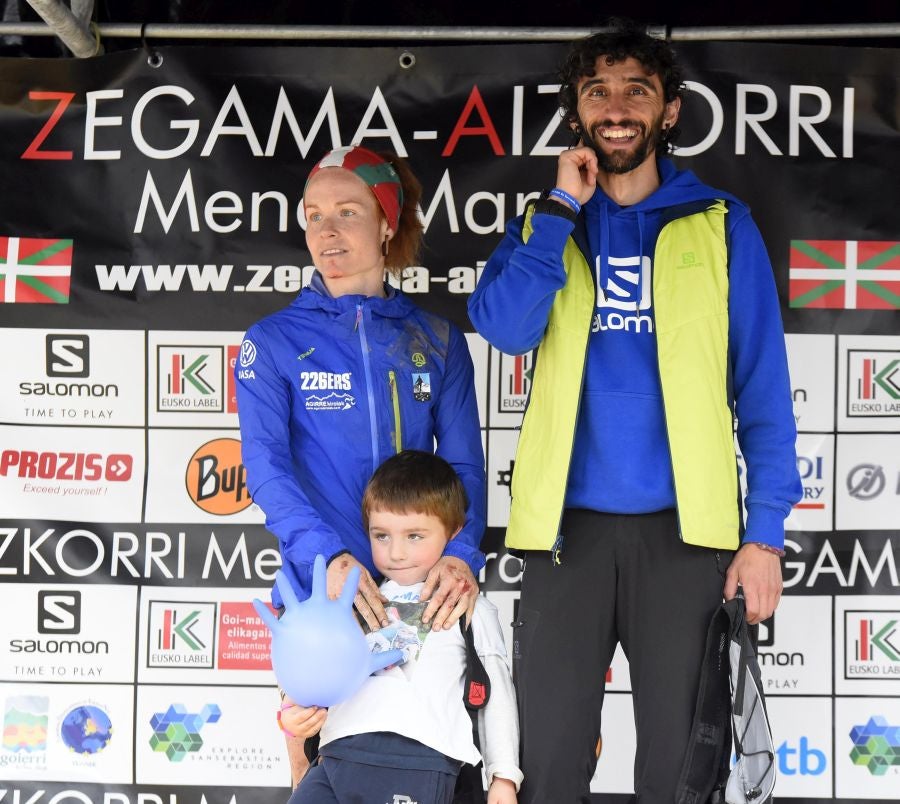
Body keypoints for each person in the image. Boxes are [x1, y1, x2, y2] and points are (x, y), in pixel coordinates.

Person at [467, 19, 802, 804]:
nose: (617, 107)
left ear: (670, 111)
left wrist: (764, 536)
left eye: (637, 91)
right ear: (576, 113)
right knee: (545, 766)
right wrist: (558, 209)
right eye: (598, 92)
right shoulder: (543, 223)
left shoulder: (723, 223)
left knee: (682, 771)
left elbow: (762, 392)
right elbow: (506, 328)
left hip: (686, 542)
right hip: (565, 537)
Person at [235, 146, 487, 785]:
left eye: (347, 212)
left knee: (420, 768)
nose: (326, 230)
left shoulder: (437, 339)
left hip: (419, 592)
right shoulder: (271, 341)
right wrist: (328, 559)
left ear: (385, 223)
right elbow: (264, 468)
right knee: (316, 769)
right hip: (321, 593)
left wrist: (463, 556)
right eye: (313, 213)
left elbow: (465, 469)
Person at [281, 450, 522, 804]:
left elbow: (495, 693)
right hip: (333, 757)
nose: (396, 552)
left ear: (454, 532)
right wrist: (294, 711)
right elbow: (319, 678)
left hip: (417, 760)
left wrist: (503, 776)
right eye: (381, 536)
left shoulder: (468, 605)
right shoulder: (355, 599)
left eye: (414, 536)